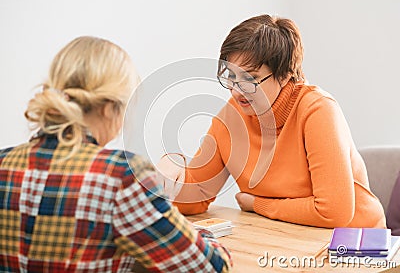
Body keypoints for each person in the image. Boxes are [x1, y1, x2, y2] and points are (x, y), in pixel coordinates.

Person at [0, 36, 232, 272]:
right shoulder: (120, 174)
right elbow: (210, 268)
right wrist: (192, 229)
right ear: (110, 109)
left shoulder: (3, 163)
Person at [168, 14, 386, 228]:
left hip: (354, 243)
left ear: (285, 74)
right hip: (286, 236)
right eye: (232, 77)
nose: (236, 91)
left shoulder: (318, 110)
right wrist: (168, 173)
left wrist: (257, 204)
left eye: (251, 79)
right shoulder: (232, 115)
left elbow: (333, 213)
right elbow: (195, 199)